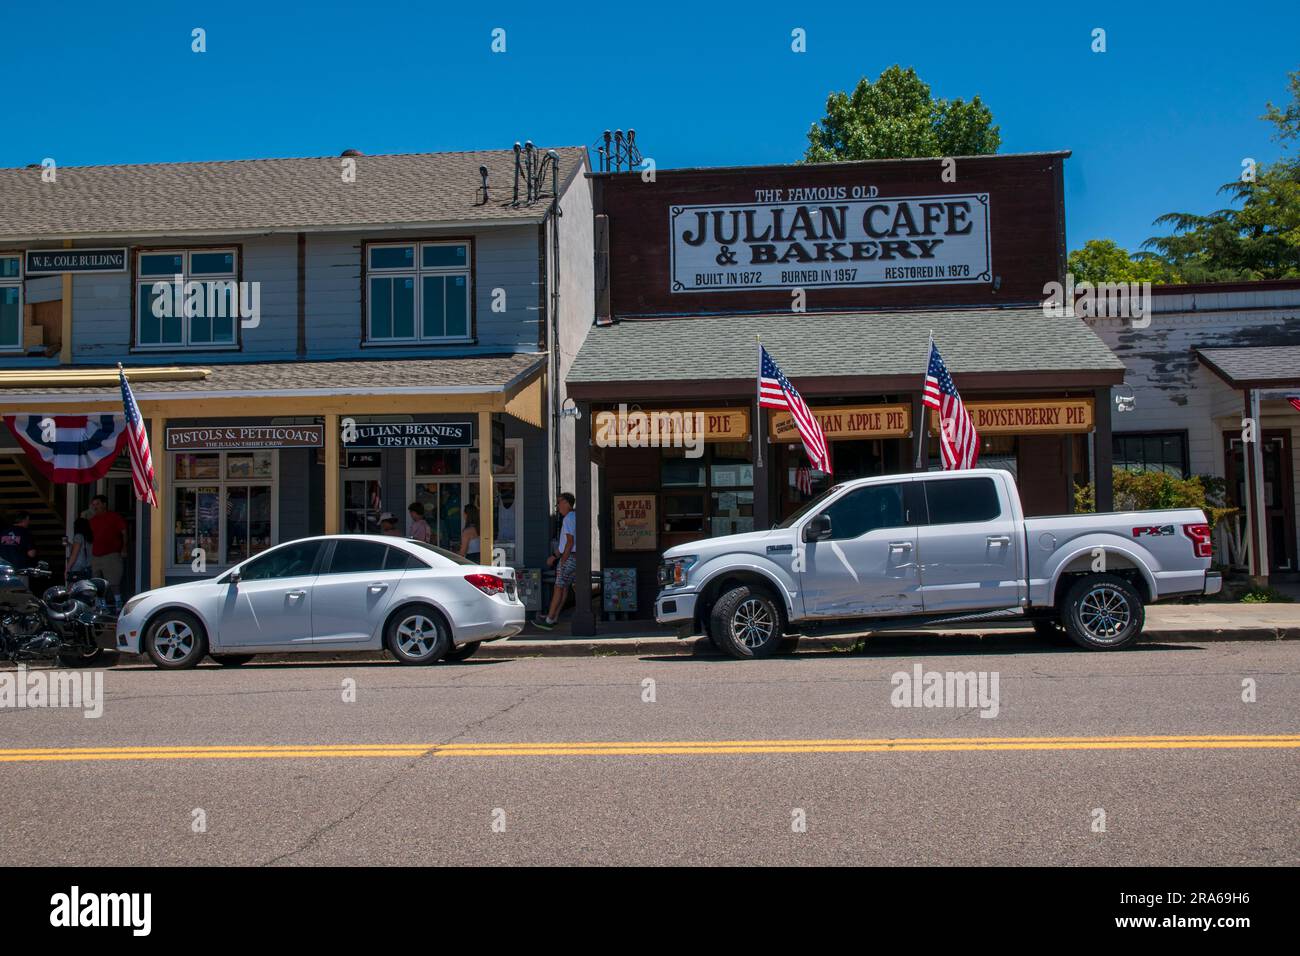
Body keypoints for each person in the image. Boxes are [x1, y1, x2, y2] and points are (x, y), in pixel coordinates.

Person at [534, 493, 576, 630]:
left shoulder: (568, 519)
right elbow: (564, 544)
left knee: (558, 588)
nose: (558, 506)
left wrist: (563, 560)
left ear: (567, 503)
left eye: (559, 503)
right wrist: (554, 556)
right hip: (574, 557)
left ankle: (549, 619)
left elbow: (569, 542)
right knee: (563, 588)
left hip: (569, 557)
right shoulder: (574, 517)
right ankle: (554, 616)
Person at [89, 494, 128, 607]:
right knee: (97, 583)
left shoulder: (114, 517)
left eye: (98, 504)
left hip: (111, 554)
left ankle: (118, 603)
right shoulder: (92, 520)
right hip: (96, 555)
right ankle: (101, 605)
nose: (95, 507)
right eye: (94, 505)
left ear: (104, 504)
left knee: (114, 582)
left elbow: (124, 532)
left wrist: (124, 547)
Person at [65, 516, 94, 582]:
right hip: (88, 566)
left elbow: (74, 554)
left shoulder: (78, 536)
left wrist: (68, 568)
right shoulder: (89, 537)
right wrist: (69, 544)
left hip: (78, 568)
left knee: (73, 588)